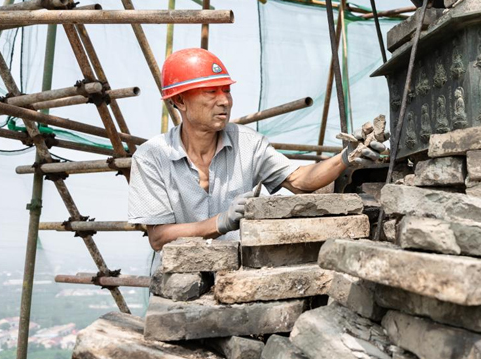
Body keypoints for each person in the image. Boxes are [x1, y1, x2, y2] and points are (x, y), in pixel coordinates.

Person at [127, 48, 385, 271]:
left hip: (235, 275)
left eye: (226, 90)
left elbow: (299, 181)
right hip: (178, 280)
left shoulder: (247, 143)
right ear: (180, 101)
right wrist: (220, 222)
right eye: (210, 91)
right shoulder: (152, 157)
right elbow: (159, 238)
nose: (224, 100)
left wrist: (346, 158)